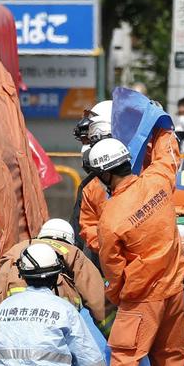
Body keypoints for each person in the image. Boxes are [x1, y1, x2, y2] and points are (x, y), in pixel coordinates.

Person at [88, 130, 184, 366]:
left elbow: (113, 269)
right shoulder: (158, 180)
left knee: (124, 357)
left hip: (142, 296)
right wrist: (161, 128)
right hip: (174, 289)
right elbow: (169, 153)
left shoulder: (111, 217)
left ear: (104, 173)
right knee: (170, 355)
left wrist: (117, 297)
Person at [0, 218, 106, 331]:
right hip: (54, 319)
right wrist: (112, 336)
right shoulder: (73, 252)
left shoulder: (17, 249)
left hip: (13, 320)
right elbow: (97, 299)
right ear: (70, 240)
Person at [70, 101, 112, 258]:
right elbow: (81, 231)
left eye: (90, 140)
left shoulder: (142, 175)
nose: (86, 148)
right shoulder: (89, 185)